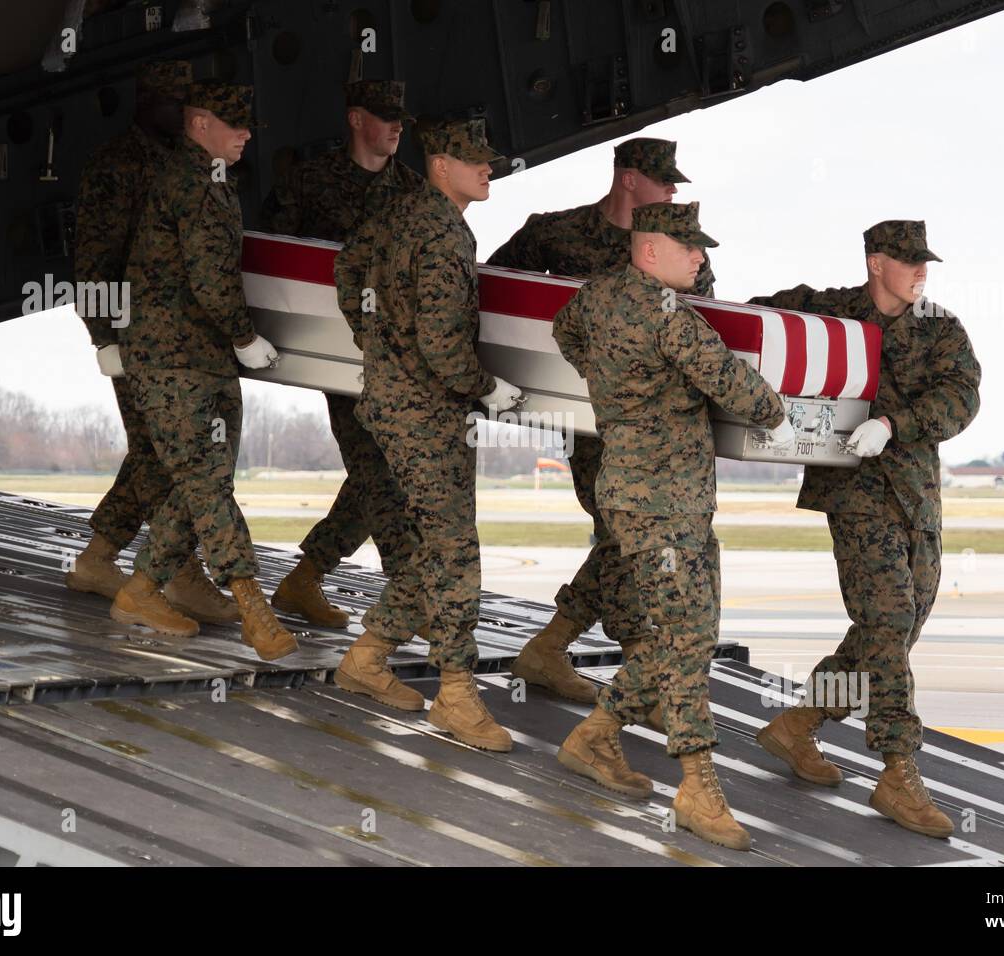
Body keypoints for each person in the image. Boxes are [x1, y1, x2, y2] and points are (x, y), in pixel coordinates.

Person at [555, 201, 791, 851]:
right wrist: (772, 406)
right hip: (669, 506)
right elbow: (753, 401)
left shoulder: (598, 298)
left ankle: (597, 734)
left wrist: (613, 387)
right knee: (685, 641)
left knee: (685, 635)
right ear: (650, 249)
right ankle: (696, 784)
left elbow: (563, 332)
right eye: (690, 248)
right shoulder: (674, 322)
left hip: (633, 495)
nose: (702, 259)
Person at [749, 220, 981, 839]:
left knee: (898, 625)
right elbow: (753, 322)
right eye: (909, 262)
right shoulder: (829, 314)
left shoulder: (939, 325)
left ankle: (798, 725)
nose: (921, 272)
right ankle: (897, 770)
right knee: (887, 619)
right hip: (854, 493)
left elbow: (963, 396)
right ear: (877, 263)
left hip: (915, 495)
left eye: (925, 262)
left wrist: (896, 423)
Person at [487, 138, 715, 703]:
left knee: (623, 535)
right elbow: (493, 292)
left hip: (654, 427)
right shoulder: (555, 232)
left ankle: (559, 646)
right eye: (664, 180)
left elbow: (703, 324)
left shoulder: (677, 248)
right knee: (627, 534)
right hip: (585, 421)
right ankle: (630, 667)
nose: (673, 190)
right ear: (630, 178)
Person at [332, 118, 522, 751]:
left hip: (397, 402)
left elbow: (348, 269)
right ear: (441, 165)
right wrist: (483, 385)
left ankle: (367, 657)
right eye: (476, 160)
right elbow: (444, 345)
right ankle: (457, 695)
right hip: (426, 411)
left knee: (437, 548)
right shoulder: (442, 233)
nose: (488, 169)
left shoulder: (398, 213)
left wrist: (376, 345)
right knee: (455, 551)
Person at [111, 80, 298, 661]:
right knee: (207, 482)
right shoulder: (192, 183)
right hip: (172, 359)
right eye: (233, 125)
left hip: (199, 356)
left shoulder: (212, 183)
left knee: (203, 482)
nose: (244, 136)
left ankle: (141, 589)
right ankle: (252, 606)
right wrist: (244, 337)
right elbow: (211, 277)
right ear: (198, 125)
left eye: (247, 127)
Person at [67, 60, 235, 626]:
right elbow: (95, 258)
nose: (185, 115)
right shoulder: (119, 165)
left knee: (154, 455)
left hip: (180, 342)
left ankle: (103, 559)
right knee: (165, 456)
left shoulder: (182, 166)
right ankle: (173, 574)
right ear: (146, 102)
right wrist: (102, 335)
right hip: (139, 339)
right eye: (175, 103)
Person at [260, 79, 422, 628]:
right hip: (332, 352)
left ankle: (306, 577)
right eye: (384, 116)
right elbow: (268, 256)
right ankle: (410, 587)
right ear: (355, 119)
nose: (397, 126)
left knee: (383, 469)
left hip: (395, 357)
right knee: (379, 465)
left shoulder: (414, 192)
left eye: (400, 117)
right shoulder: (308, 181)